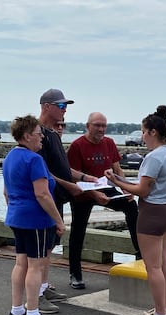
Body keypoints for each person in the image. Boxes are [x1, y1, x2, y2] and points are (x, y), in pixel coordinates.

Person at [104, 105, 166, 315]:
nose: (142, 136)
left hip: (153, 212)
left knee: (153, 266)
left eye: (143, 131)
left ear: (152, 132)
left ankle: (159, 314)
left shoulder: (154, 157)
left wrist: (116, 181)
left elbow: (143, 191)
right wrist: (128, 186)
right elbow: (148, 186)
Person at [36, 89, 109, 311]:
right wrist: (71, 186)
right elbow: (44, 173)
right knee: (39, 252)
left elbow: (64, 168)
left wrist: (87, 178)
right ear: (46, 106)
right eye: (60, 105)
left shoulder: (53, 134)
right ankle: (35, 296)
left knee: (49, 247)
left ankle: (44, 286)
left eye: (65, 106)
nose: (64, 109)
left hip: (58, 197)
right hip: (46, 197)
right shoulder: (39, 135)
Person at [2, 115, 65, 315]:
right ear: (27, 136)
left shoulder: (10, 157)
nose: (42, 139)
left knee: (21, 263)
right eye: (39, 134)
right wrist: (59, 221)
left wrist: (15, 209)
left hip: (16, 217)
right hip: (35, 220)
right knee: (36, 267)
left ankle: (17, 308)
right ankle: (33, 314)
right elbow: (43, 195)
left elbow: (6, 192)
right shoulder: (34, 160)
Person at [66, 112, 140, 289]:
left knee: (131, 205)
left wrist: (126, 188)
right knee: (78, 230)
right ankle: (75, 273)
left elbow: (117, 169)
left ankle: (140, 253)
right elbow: (73, 177)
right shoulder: (77, 146)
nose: (101, 129)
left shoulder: (109, 143)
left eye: (103, 126)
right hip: (83, 192)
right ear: (88, 126)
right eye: (97, 125)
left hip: (105, 186)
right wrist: (94, 195)